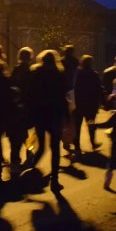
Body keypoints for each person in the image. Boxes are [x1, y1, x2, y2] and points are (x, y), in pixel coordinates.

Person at [27, 50, 70, 193]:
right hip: (54, 114)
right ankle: (55, 180)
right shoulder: (59, 75)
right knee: (55, 148)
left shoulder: (36, 74)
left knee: (41, 146)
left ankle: (31, 169)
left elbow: (31, 95)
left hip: (40, 114)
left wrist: (30, 114)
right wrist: (66, 116)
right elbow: (63, 97)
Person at [8, 46, 34, 169]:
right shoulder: (30, 71)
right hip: (26, 107)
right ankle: (29, 152)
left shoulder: (15, 70)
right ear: (30, 57)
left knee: (15, 136)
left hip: (14, 106)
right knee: (24, 134)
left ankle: (15, 159)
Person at [72, 54, 103, 154]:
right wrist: (102, 101)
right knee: (91, 124)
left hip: (79, 103)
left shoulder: (77, 74)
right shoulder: (94, 74)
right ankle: (93, 143)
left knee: (77, 126)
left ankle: (77, 146)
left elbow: (74, 88)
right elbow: (98, 89)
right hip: (90, 104)